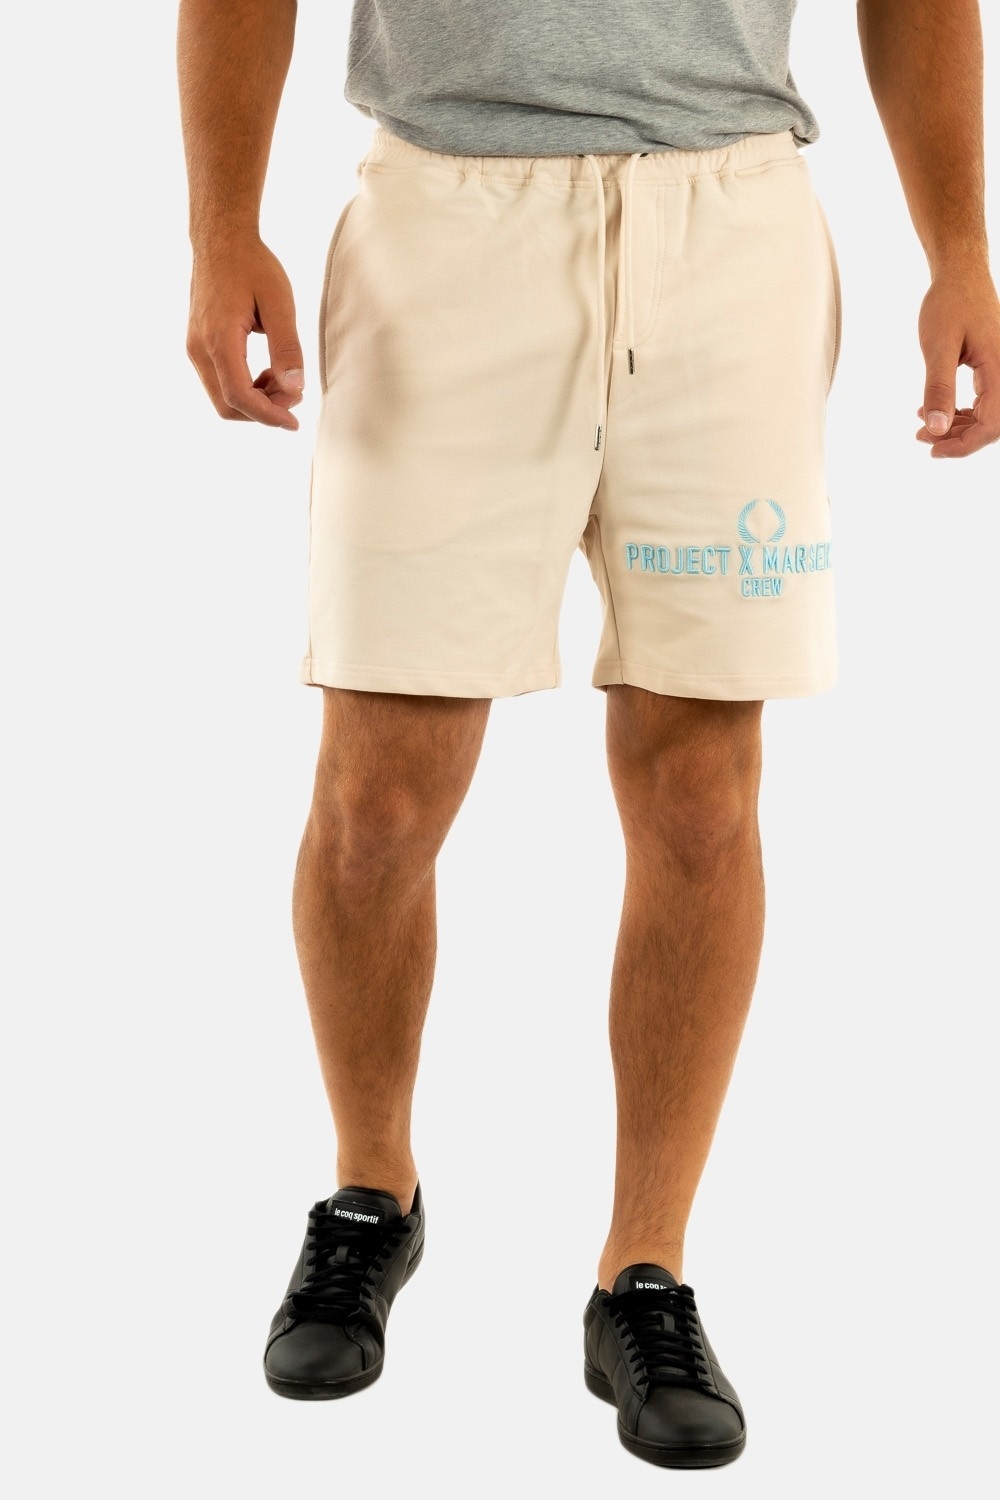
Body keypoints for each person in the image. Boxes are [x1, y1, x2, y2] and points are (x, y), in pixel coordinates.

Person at [178, 0, 999, 1469]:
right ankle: (371, 1195)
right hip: (447, 218)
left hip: (731, 228)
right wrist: (221, 225)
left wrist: (960, 248)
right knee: (381, 794)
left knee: (702, 794)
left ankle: (645, 1275)